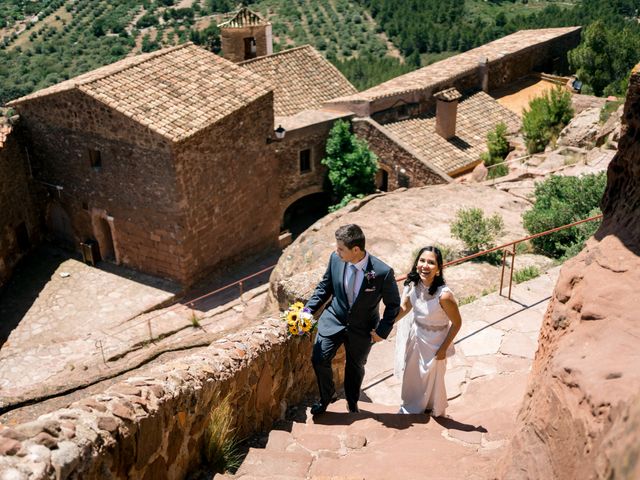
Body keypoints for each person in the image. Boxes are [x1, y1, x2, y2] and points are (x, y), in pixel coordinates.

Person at [306, 224, 400, 414]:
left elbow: (393, 305)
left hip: (363, 328)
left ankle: (352, 402)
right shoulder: (335, 259)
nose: (336, 251)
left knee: (355, 368)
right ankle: (326, 397)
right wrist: (307, 310)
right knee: (319, 358)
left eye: (341, 248)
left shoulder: (382, 272)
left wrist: (382, 331)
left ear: (355, 250)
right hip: (334, 319)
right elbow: (325, 287)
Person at [394, 246, 462, 416]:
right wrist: (385, 324)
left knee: (433, 381)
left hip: (436, 343)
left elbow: (457, 323)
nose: (425, 265)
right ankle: (410, 407)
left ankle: (430, 408)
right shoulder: (414, 285)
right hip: (416, 337)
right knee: (413, 377)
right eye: (422, 260)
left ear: (438, 269)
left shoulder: (444, 295)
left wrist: (443, 349)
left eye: (431, 263)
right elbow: (406, 307)